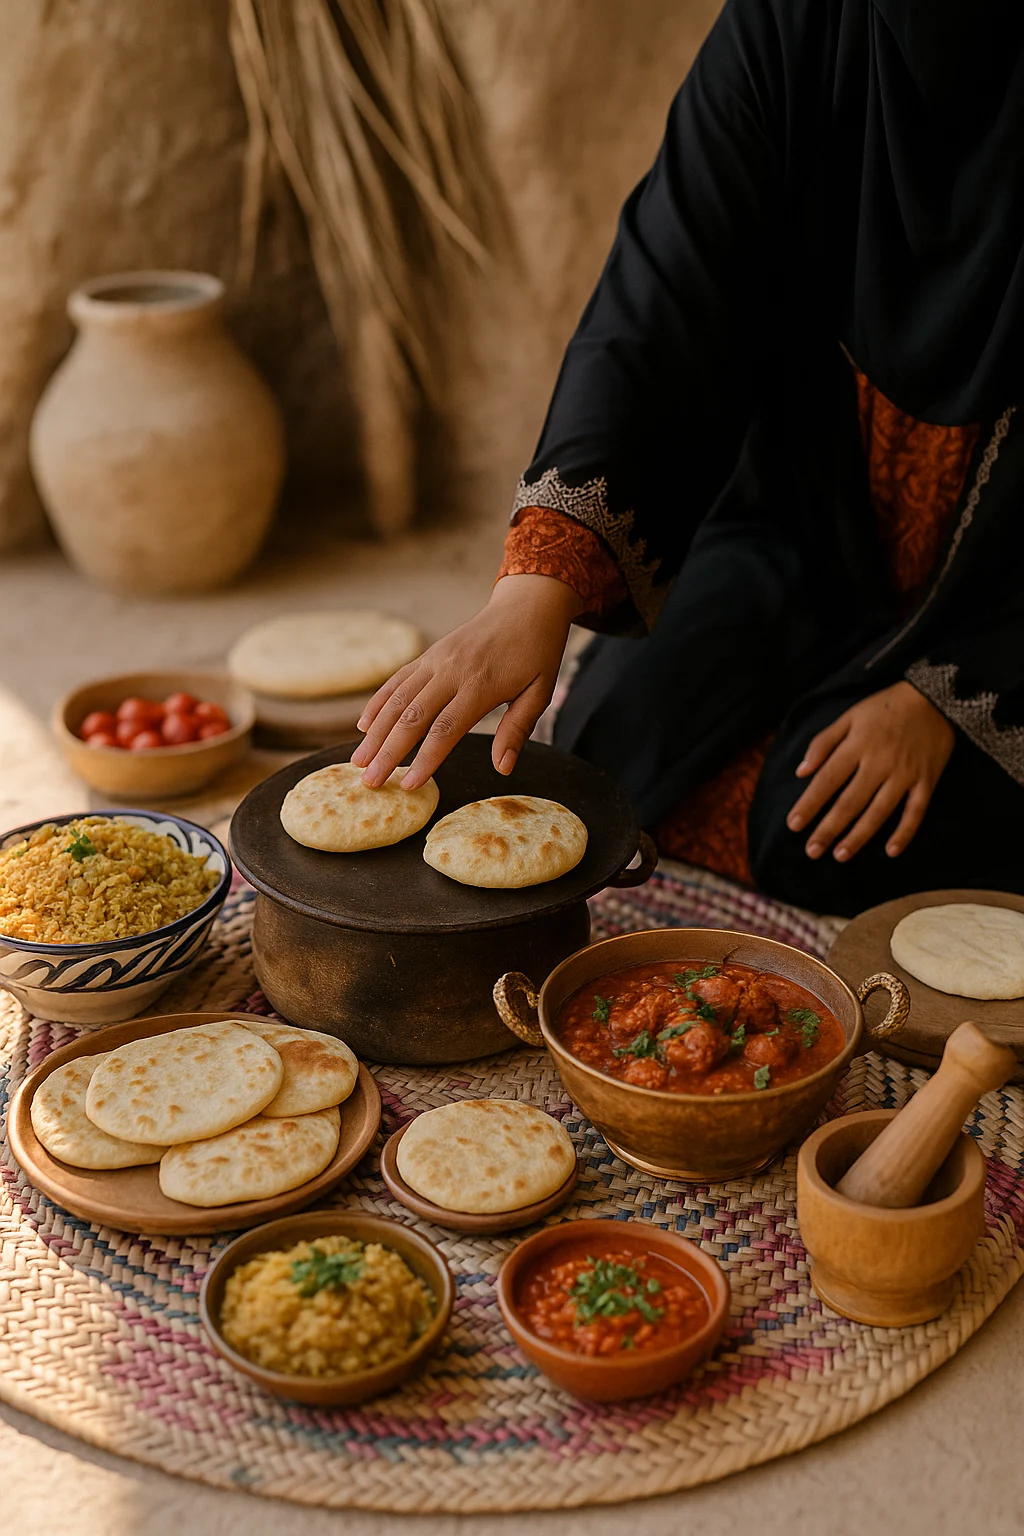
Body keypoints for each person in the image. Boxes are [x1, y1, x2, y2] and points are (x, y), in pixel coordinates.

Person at [352, 0, 1024, 918]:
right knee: (606, 750)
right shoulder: (797, 22)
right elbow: (669, 291)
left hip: (1006, 600)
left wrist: (955, 697)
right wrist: (534, 587)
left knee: (820, 832)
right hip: (810, 524)